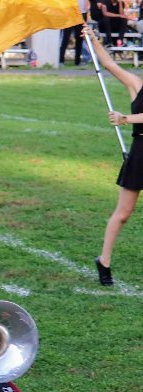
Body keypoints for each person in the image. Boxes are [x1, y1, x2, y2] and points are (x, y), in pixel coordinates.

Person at [86, 27, 143, 286]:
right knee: (123, 212)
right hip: (140, 151)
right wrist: (93, 37)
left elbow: (131, 118)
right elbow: (107, 63)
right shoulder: (137, 84)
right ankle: (104, 260)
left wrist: (126, 118)